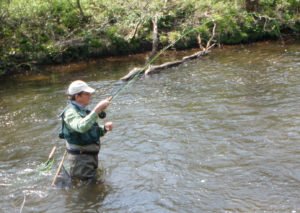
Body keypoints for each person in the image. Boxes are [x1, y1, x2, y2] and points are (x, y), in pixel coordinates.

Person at [59, 80, 113, 182]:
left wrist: (104, 128)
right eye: (87, 94)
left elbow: (88, 130)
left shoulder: (82, 110)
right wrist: (97, 109)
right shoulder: (70, 112)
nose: (90, 96)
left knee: (91, 187)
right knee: (87, 189)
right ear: (77, 96)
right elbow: (81, 127)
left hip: (88, 157)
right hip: (81, 160)